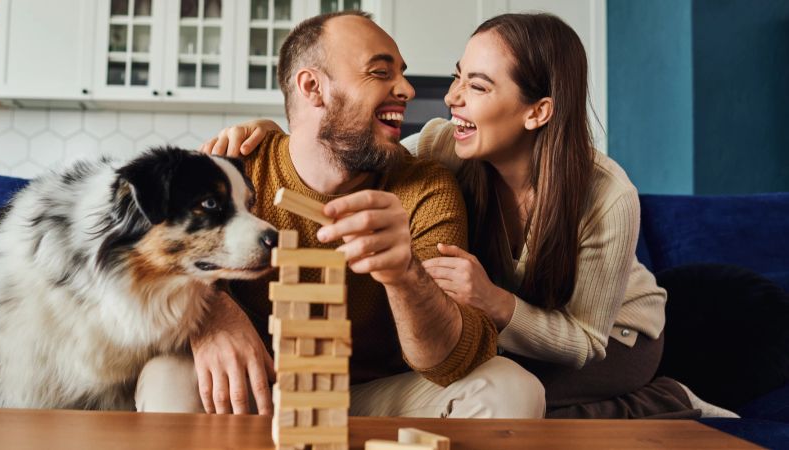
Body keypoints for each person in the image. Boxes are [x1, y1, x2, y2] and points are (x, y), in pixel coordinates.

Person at [202, 13, 738, 419]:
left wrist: (493, 300)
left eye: (477, 86)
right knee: (492, 377)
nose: (449, 98)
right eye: (459, 78)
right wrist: (273, 137)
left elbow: (584, 340)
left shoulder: (607, 194)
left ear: (538, 111)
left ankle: (668, 400)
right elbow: (349, 147)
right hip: (503, 329)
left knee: (522, 399)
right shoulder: (442, 148)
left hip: (608, 338)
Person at [135, 11, 546, 419]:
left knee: (510, 387)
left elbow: (446, 360)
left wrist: (404, 274)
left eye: (401, 73)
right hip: (257, 388)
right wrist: (211, 316)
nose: (405, 88)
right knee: (166, 375)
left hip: (370, 397)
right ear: (313, 87)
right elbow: (141, 257)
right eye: (380, 72)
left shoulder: (427, 187)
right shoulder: (235, 168)